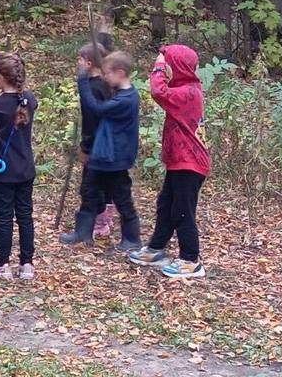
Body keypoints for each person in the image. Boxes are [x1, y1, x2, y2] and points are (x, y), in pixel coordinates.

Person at [129, 45, 210, 279]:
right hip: (180, 161)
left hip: (191, 163)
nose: (164, 70)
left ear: (179, 68)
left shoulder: (189, 92)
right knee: (166, 205)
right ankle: (156, 248)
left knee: (182, 211)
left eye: (168, 66)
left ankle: (190, 260)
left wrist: (158, 68)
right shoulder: (184, 88)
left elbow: (158, 92)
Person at [60, 51, 141, 251]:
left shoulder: (126, 99)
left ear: (120, 73)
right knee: (89, 190)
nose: (103, 77)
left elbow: (95, 107)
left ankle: (132, 238)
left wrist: (82, 78)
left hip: (115, 158)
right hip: (103, 155)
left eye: (107, 73)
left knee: (121, 196)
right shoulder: (121, 94)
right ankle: (82, 232)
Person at [0, 54, 38, 280]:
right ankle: (26, 264)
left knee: (4, 215)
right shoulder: (30, 99)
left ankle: (2, 264)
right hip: (26, 167)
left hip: (4, 170)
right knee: (25, 215)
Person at [75, 24, 117, 239]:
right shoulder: (105, 83)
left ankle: (99, 221)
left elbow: (92, 120)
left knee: (90, 185)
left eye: (80, 60)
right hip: (109, 141)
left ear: (89, 63)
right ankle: (105, 216)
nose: (78, 64)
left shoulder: (92, 88)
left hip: (98, 143)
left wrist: (86, 147)